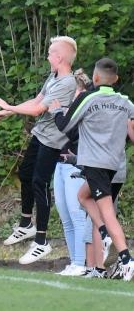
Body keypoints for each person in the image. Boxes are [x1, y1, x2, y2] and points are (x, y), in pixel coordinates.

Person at [0, 35, 77, 264]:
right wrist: (7, 112)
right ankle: (26, 224)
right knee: (25, 174)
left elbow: (38, 111)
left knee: (39, 183)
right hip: (40, 135)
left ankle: (41, 241)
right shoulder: (53, 76)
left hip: (53, 140)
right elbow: (36, 101)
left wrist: (10, 107)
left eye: (50, 53)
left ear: (59, 57)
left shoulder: (68, 82)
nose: (47, 57)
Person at [50, 57, 134, 281]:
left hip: (96, 164)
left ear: (95, 78)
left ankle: (126, 259)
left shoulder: (89, 98)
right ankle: (105, 235)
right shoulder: (125, 101)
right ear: (115, 79)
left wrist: (57, 111)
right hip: (114, 164)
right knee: (82, 196)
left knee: (107, 213)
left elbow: (66, 126)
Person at [52, 69, 91, 276]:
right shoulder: (70, 103)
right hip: (59, 161)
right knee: (65, 215)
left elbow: (71, 131)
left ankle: (81, 262)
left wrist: (60, 113)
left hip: (75, 163)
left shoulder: (84, 102)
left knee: (76, 213)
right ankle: (74, 261)